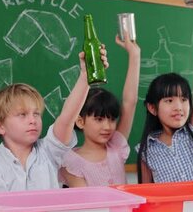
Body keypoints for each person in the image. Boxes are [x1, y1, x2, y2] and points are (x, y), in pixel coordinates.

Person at [0, 48, 109, 192]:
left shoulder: (48, 151)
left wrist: (85, 75)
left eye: (37, 114)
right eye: (22, 114)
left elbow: (67, 118)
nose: (33, 120)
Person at [136, 0, 193, 183]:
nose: (178, 107)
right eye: (169, 100)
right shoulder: (147, 150)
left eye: (184, 99)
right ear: (152, 108)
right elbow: (150, 199)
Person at [60, 31, 140, 187]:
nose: (107, 126)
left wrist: (135, 55)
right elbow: (86, 205)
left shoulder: (116, 146)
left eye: (111, 119)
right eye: (98, 119)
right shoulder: (71, 162)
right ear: (81, 121)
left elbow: (130, 102)